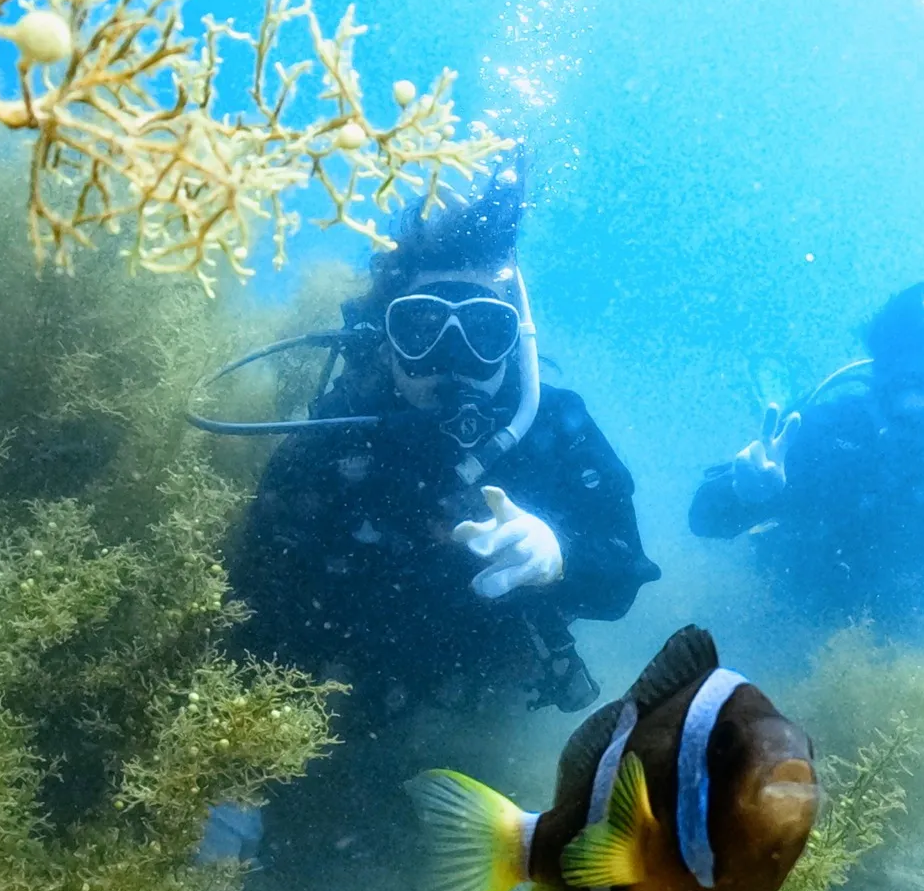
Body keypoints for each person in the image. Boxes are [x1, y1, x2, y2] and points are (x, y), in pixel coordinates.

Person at [226, 154, 661, 726]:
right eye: (423, 329)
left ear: (514, 340)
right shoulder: (339, 431)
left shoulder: (553, 426)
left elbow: (624, 575)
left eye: (483, 330)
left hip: (479, 702)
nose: (453, 361)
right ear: (385, 341)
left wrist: (560, 557)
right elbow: (253, 587)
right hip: (345, 695)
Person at [689, 276, 924, 654]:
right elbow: (704, 519)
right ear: (877, 385)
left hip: (906, 653)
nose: (922, 409)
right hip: (788, 626)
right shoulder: (829, 436)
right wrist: (744, 495)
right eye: (906, 386)